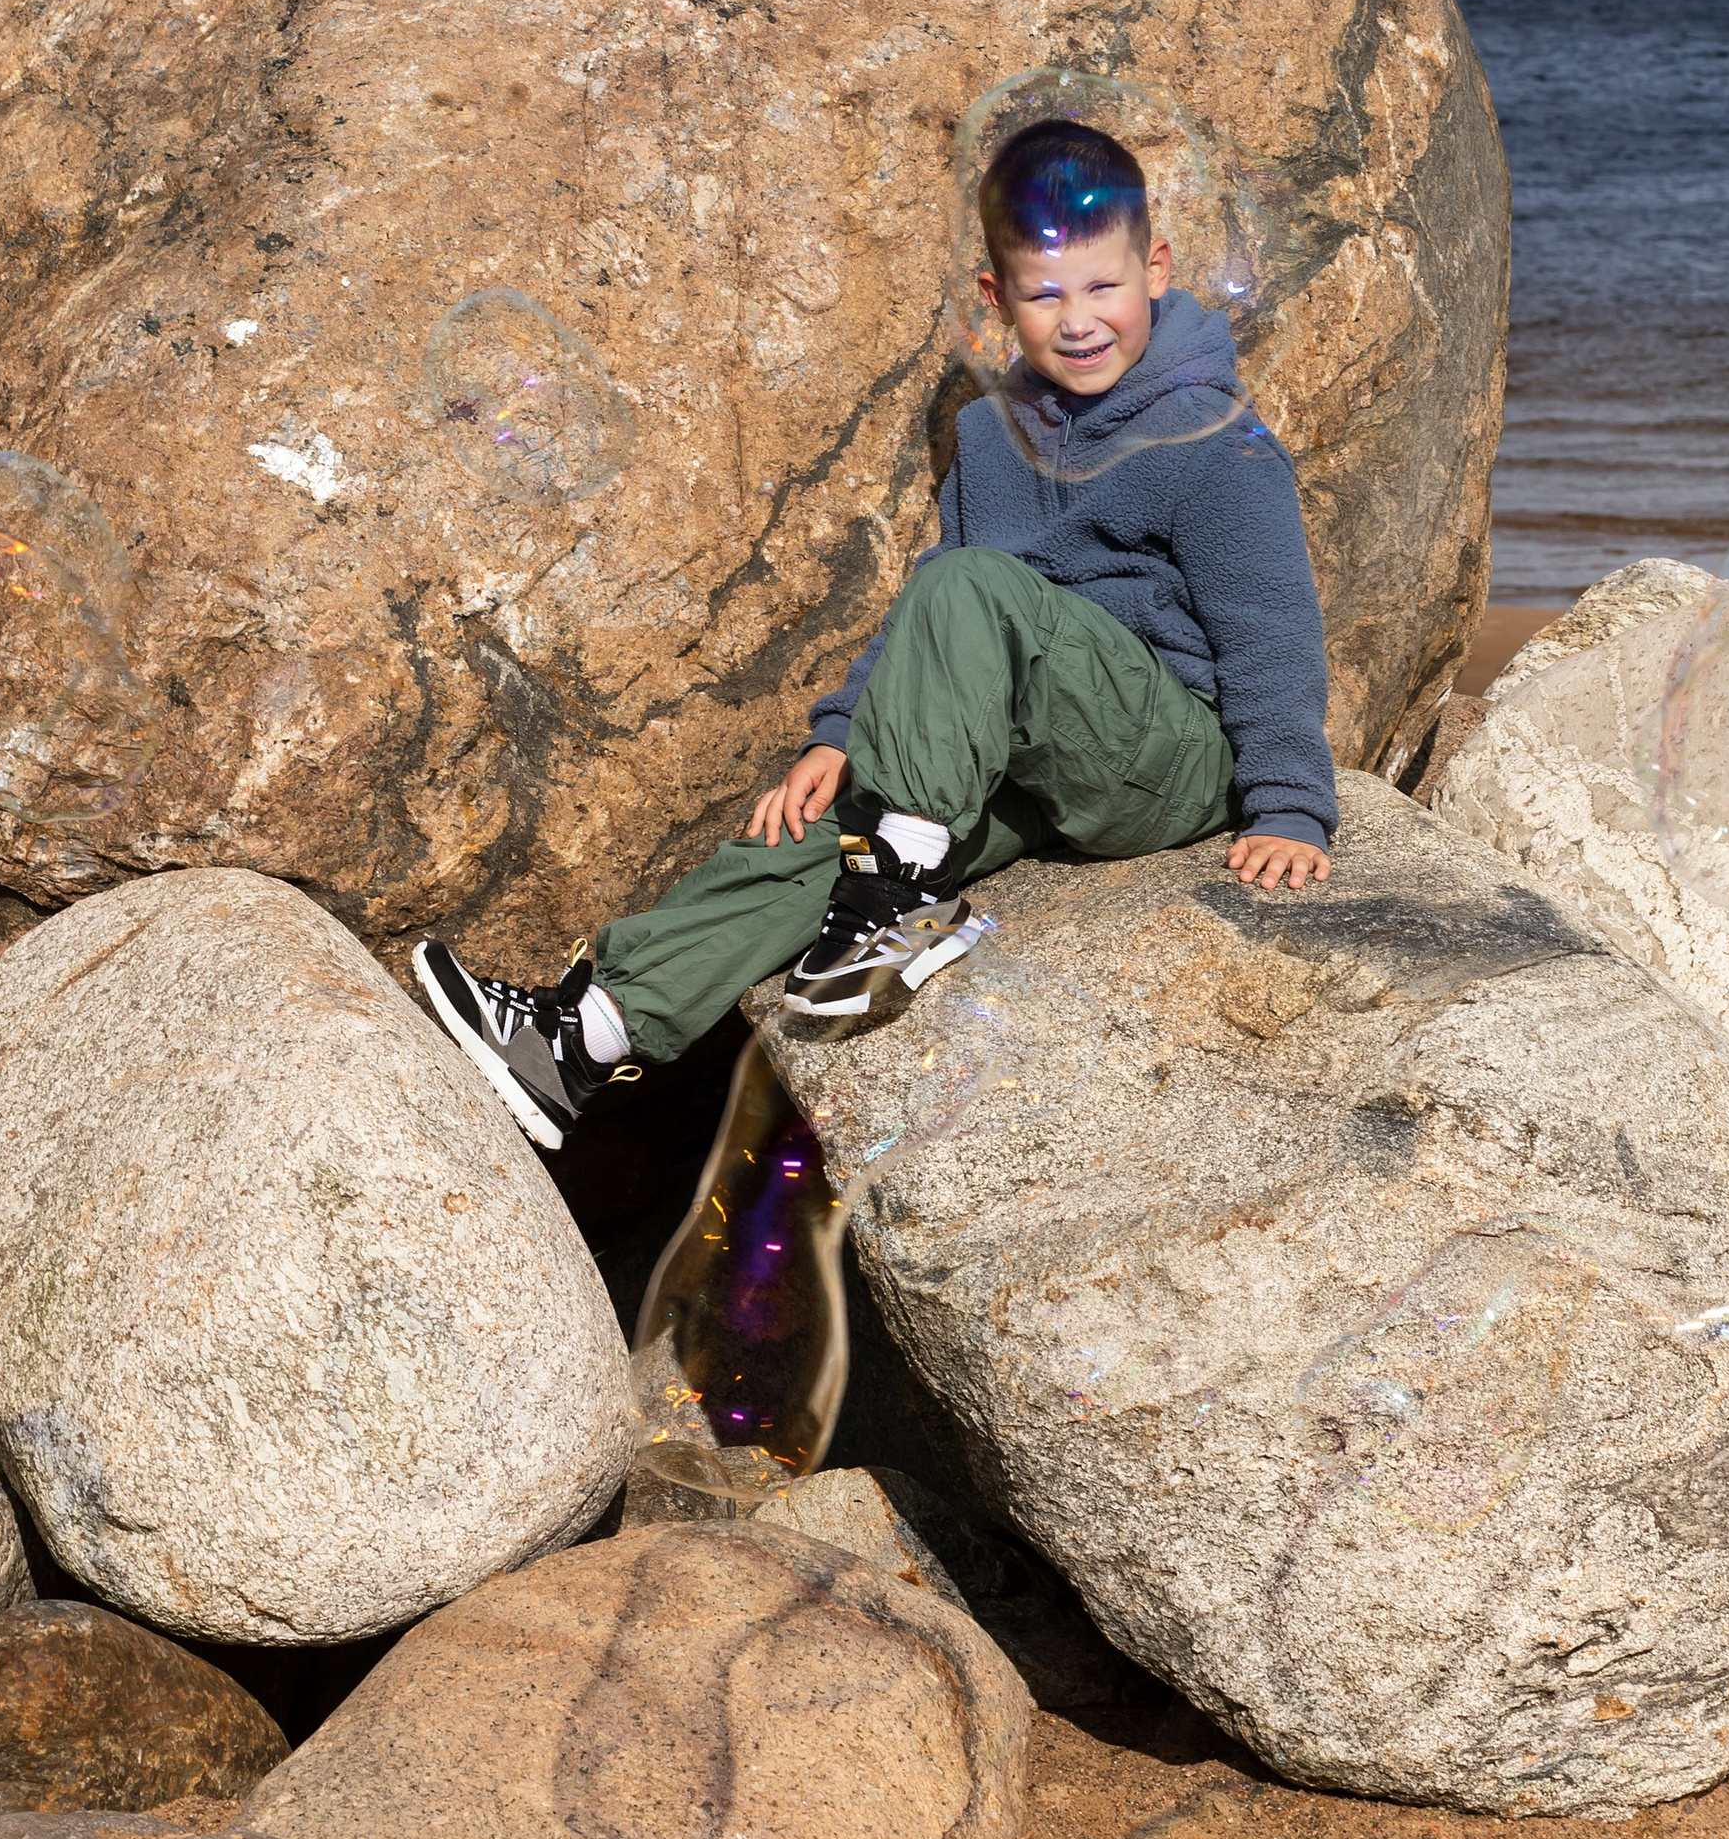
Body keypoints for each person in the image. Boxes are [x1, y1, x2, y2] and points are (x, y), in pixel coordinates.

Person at [414, 115, 1336, 1149]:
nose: (1078, 321)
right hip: (1035, 760)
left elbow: (1272, 632)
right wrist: (843, 733)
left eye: (1102, 287)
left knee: (970, 600)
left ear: (1155, 269)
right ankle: (589, 1034)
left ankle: (897, 901)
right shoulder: (990, 436)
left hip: (1167, 755)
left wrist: (1290, 806)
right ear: (998, 300)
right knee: (826, 824)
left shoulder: (1213, 442)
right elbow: (936, 614)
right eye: (1043, 294)